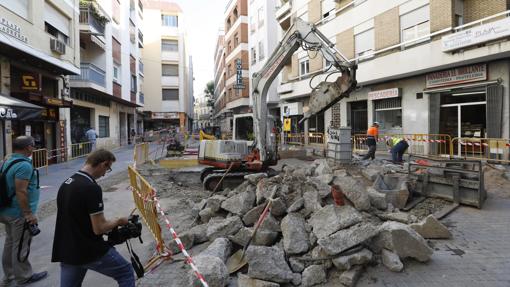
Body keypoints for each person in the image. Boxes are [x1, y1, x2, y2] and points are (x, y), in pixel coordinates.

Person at [51, 149, 135, 287]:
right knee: (125, 272)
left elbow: (77, 217)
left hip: (66, 249)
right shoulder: (91, 187)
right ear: (103, 164)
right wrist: (119, 221)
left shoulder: (68, 182)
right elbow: (99, 228)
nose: (104, 174)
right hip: (88, 250)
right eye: (107, 169)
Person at [0, 136, 48, 286]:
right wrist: (28, 214)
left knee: (10, 243)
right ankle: (23, 276)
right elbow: (21, 191)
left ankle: (9, 276)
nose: (34, 148)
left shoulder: (7, 161)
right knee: (20, 245)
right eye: (33, 145)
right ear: (28, 147)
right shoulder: (24, 165)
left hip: (6, 211)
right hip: (18, 213)